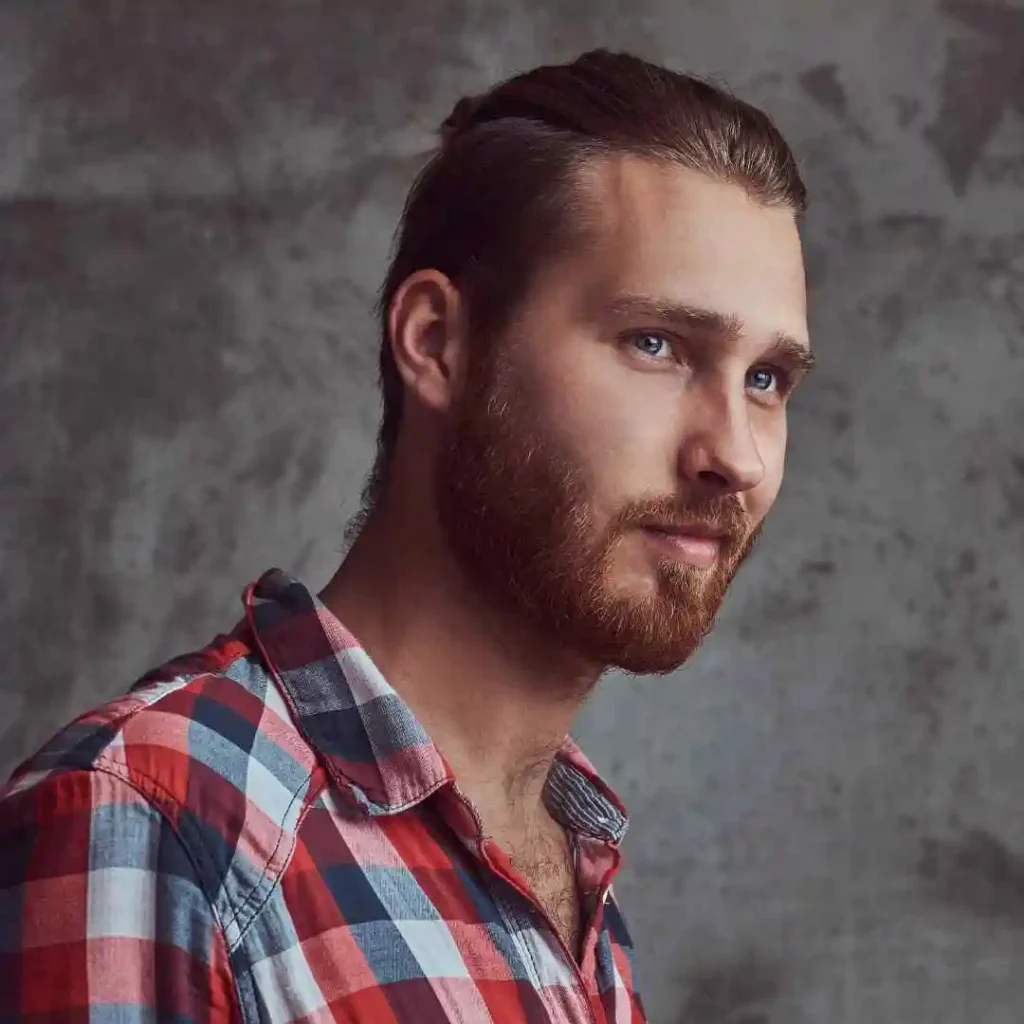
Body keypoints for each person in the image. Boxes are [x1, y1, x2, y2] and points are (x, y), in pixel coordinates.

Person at [0, 49, 811, 1024]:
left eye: (766, 378)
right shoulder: (152, 823)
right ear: (436, 340)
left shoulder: (569, 855)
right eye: (657, 345)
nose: (735, 455)